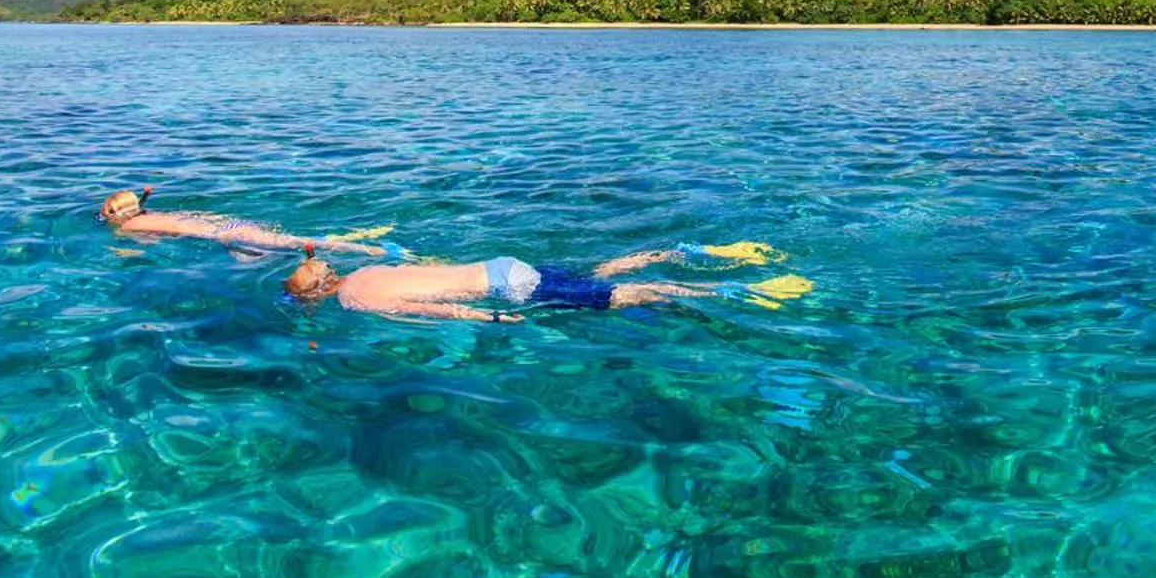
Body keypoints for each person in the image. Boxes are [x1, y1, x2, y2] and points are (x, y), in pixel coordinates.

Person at [282, 244, 811, 322]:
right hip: (503, 264)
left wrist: (488, 318)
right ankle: (678, 249)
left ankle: (730, 291)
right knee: (595, 278)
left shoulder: (355, 297)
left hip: (511, 291)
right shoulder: (367, 271)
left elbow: (433, 311)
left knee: (617, 299)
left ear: (315, 295)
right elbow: (424, 270)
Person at [97, 187, 391, 256]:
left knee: (294, 243)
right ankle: (358, 236)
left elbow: (146, 242)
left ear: (112, 214)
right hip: (228, 226)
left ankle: (369, 250)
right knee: (288, 240)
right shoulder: (149, 215)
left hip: (223, 235)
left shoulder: (130, 227)